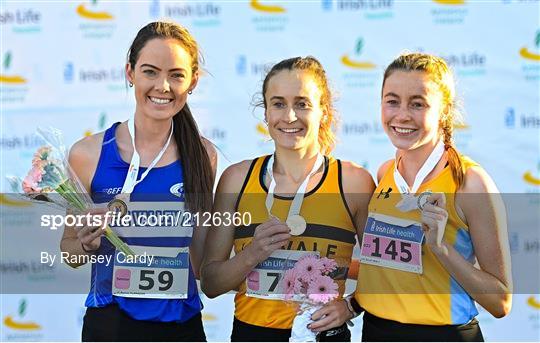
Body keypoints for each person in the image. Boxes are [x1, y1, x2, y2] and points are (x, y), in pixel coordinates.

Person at [319, 52, 513, 341]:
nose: (402, 115)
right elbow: (388, 266)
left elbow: (500, 302)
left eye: (418, 104)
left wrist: (441, 249)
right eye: (392, 101)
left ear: (443, 110)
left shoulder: (469, 183)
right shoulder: (386, 171)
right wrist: (344, 292)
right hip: (377, 332)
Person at [60, 21, 217, 341]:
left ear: (193, 81)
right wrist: (87, 244)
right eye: (150, 71)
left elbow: (201, 262)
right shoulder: (87, 154)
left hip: (182, 325)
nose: (163, 86)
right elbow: (69, 253)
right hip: (111, 324)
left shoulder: (203, 155)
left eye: (176, 74)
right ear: (130, 73)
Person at [200, 56, 374, 341]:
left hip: (323, 334)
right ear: (266, 112)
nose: (289, 116)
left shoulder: (353, 181)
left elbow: (383, 270)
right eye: (278, 104)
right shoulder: (236, 179)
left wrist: (352, 306)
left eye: (302, 104)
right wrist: (253, 253)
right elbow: (211, 282)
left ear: (324, 111)